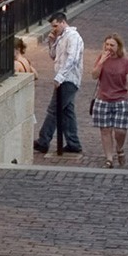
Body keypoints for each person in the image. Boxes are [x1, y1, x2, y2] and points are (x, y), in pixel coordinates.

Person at [30, 12, 84, 158]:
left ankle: (44, 140)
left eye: (55, 26)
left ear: (62, 22)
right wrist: (51, 42)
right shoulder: (61, 37)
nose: (54, 29)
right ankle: (73, 143)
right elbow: (54, 56)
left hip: (68, 79)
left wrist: (60, 77)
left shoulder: (73, 37)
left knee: (54, 109)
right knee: (67, 112)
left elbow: (72, 59)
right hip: (64, 78)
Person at [90, 34, 128, 169]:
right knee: (105, 130)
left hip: (120, 99)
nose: (109, 47)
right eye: (107, 44)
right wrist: (101, 62)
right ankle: (109, 158)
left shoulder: (125, 62)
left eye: (112, 45)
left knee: (120, 130)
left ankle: (119, 148)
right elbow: (94, 75)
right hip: (103, 98)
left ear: (118, 47)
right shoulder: (101, 58)